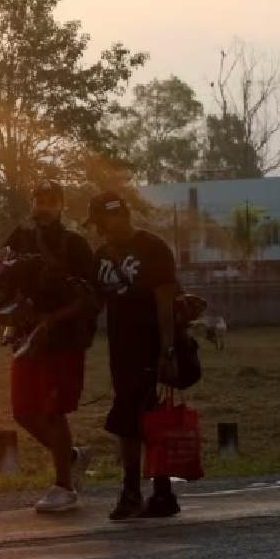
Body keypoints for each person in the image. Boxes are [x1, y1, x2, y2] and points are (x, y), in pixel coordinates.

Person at [0, 181, 98, 513]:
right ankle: (71, 458)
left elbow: (90, 298)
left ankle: (64, 486)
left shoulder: (75, 245)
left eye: (51, 201)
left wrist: (52, 321)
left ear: (62, 205)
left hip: (63, 340)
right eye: (39, 199)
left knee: (53, 411)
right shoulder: (19, 237)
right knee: (24, 412)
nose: (44, 206)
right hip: (26, 336)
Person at [88, 192, 182, 521]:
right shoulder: (100, 256)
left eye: (103, 221)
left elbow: (165, 300)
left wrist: (167, 349)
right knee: (141, 418)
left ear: (120, 216)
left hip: (150, 344)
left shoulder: (153, 249)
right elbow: (94, 301)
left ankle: (133, 491)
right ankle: (161, 491)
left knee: (132, 419)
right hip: (120, 348)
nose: (101, 229)